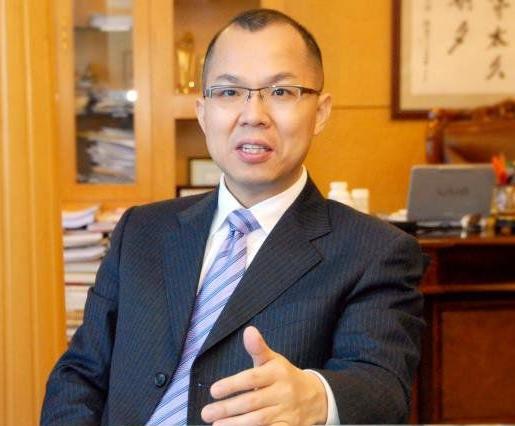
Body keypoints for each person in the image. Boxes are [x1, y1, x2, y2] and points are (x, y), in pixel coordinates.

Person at [42, 9, 426, 425]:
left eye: (281, 91)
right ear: (203, 112)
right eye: (229, 92)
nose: (253, 114)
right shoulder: (141, 230)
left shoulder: (375, 251)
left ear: (320, 112)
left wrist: (318, 397)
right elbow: (80, 374)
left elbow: (383, 389)